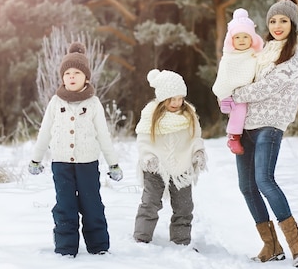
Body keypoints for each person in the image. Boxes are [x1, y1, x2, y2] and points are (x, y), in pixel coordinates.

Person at [221, 0, 298, 267]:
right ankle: (270, 245)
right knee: (246, 186)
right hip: (246, 125)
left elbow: (268, 86)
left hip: (270, 125)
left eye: (283, 20)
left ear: (292, 23)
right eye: (272, 20)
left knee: (264, 180)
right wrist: (226, 91)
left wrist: (235, 94)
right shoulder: (262, 52)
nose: (277, 25)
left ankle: (297, 244)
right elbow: (238, 73)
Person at [29, 42, 123, 258]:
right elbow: (44, 133)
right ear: (62, 77)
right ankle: (65, 248)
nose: (71, 77)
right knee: (65, 206)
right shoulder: (55, 102)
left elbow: (103, 135)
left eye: (77, 73)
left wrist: (113, 163)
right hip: (61, 164)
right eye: (67, 73)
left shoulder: (93, 103)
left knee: (92, 204)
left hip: (87, 164)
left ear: (86, 77)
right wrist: (36, 159)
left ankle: (98, 246)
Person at [133, 69, 206, 247]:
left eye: (180, 98)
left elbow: (195, 137)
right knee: (150, 204)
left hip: (182, 168)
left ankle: (181, 241)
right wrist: (148, 156)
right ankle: (142, 239)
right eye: (172, 99)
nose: (177, 103)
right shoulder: (150, 114)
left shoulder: (189, 114)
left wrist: (198, 152)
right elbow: (143, 139)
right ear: (162, 97)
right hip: (156, 167)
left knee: (184, 207)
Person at [212, 8, 264, 155]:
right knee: (239, 109)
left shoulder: (256, 55)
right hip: (235, 93)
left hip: (252, 93)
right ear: (231, 40)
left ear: (252, 39)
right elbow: (224, 76)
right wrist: (224, 95)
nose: (241, 40)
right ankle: (233, 136)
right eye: (237, 37)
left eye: (245, 37)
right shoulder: (229, 56)